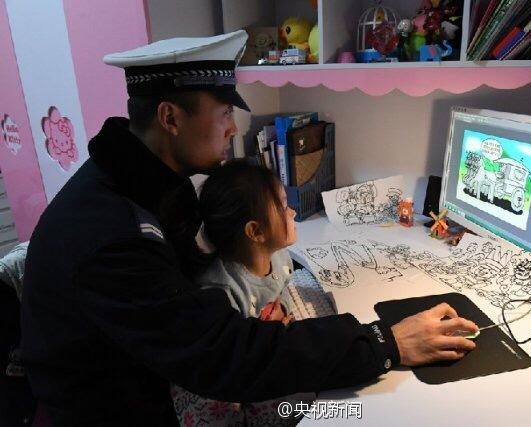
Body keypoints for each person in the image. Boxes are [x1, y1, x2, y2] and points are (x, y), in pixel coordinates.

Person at [20, 30, 478, 426]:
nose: (232, 128)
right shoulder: (111, 234)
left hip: (154, 378)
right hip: (121, 411)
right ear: (170, 118)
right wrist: (384, 343)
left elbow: (188, 296)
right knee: (343, 414)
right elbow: (221, 355)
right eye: (223, 113)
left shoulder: (147, 179)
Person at [172, 161, 309, 426]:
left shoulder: (279, 255)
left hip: (254, 356)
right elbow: (222, 362)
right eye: (283, 206)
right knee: (305, 401)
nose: (292, 211)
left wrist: (283, 310)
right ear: (256, 231)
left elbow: (283, 288)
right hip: (220, 381)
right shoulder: (221, 293)